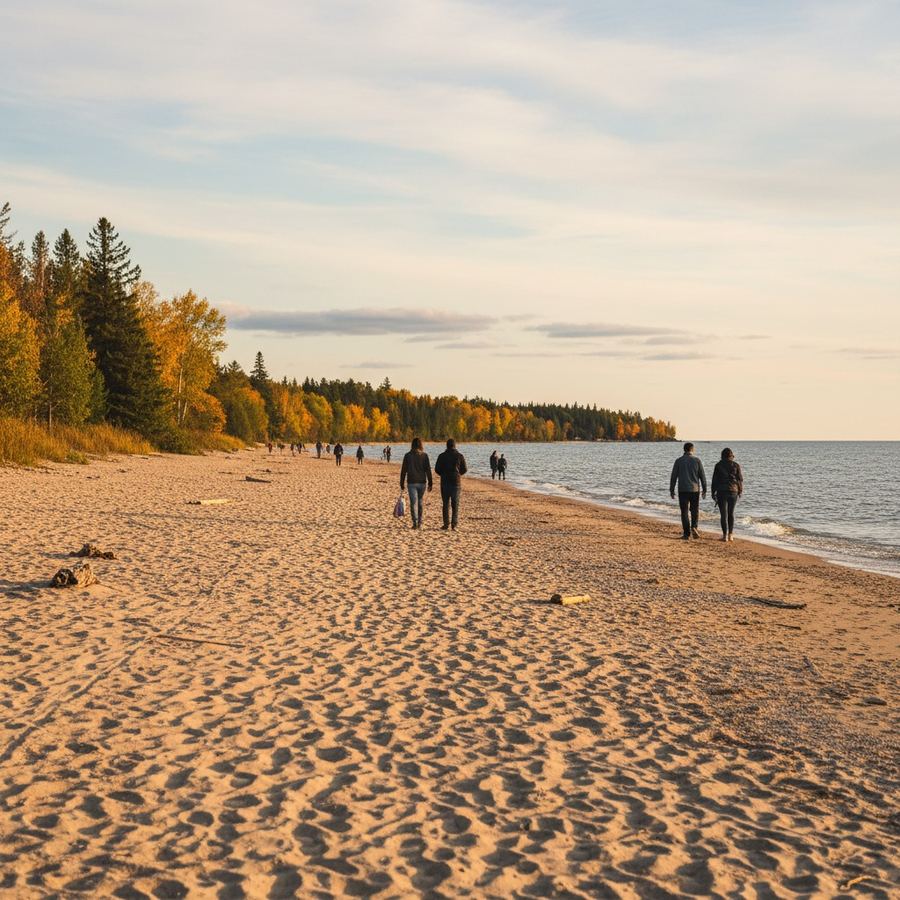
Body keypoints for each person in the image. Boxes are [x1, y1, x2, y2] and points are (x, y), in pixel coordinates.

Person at [670, 442, 707, 540]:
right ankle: (694, 527)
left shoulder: (678, 461)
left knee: (684, 511)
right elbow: (702, 476)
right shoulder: (697, 460)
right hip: (695, 490)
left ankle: (686, 533)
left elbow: (674, 476)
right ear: (692, 450)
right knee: (695, 510)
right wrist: (705, 489)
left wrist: (671, 489)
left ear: (684, 450)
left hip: (683, 490)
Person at [434, 438, 468, 531]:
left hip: (445, 482)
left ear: (447, 445)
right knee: (455, 504)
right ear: (455, 445)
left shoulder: (442, 456)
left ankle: (446, 524)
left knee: (445, 504)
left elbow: (437, 469)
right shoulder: (459, 456)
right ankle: (454, 524)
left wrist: (443, 474)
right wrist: (458, 474)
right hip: (456, 482)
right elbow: (465, 469)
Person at [711, 447, 743, 542]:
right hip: (733, 491)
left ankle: (724, 535)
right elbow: (740, 479)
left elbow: (714, 480)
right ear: (731, 456)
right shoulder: (736, 465)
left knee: (723, 514)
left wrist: (713, 492)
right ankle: (731, 535)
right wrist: (740, 490)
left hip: (721, 491)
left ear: (722, 455)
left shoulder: (718, 465)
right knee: (731, 513)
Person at [400, 438, 432, 529]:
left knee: (413, 503)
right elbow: (428, 470)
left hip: (411, 482)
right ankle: (420, 522)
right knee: (420, 502)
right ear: (421, 445)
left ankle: (415, 522)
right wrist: (430, 483)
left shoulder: (407, 456)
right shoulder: (425, 456)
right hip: (422, 482)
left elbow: (403, 471)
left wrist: (401, 483)